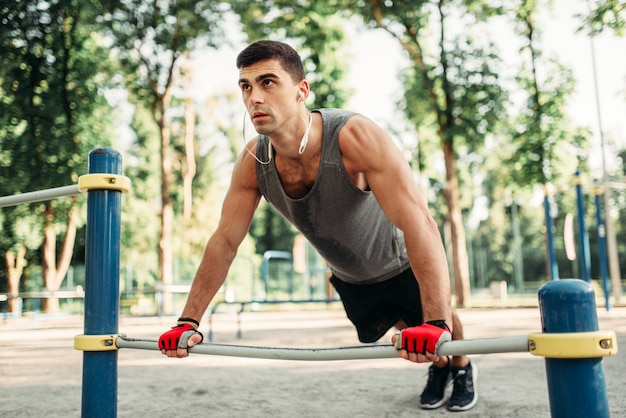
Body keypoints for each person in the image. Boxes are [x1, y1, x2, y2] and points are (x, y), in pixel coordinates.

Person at [159, 40, 477, 412]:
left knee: (437, 327)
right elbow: (225, 241)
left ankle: (462, 366)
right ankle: (439, 369)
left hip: (404, 261)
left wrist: (437, 319)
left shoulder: (355, 137)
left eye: (268, 82)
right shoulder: (253, 162)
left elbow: (419, 222)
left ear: (301, 91)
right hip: (351, 275)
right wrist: (187, 319)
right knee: (404, 330)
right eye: (246, 86)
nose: (254, 97)